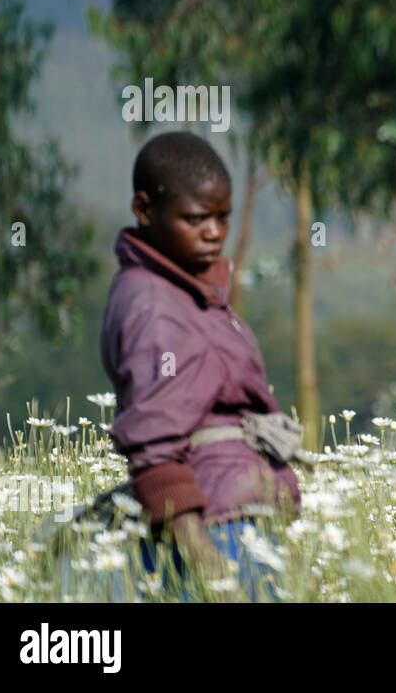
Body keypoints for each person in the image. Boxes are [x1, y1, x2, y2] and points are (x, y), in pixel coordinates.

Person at [87, 131, 300, 600]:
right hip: (211, 531)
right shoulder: (155, 309)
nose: (215, 232)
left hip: (239, 522)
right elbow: (155, 446)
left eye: (223, 217)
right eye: (196, 218)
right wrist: (204, 558)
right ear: (144, 210)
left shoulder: (190, 296)